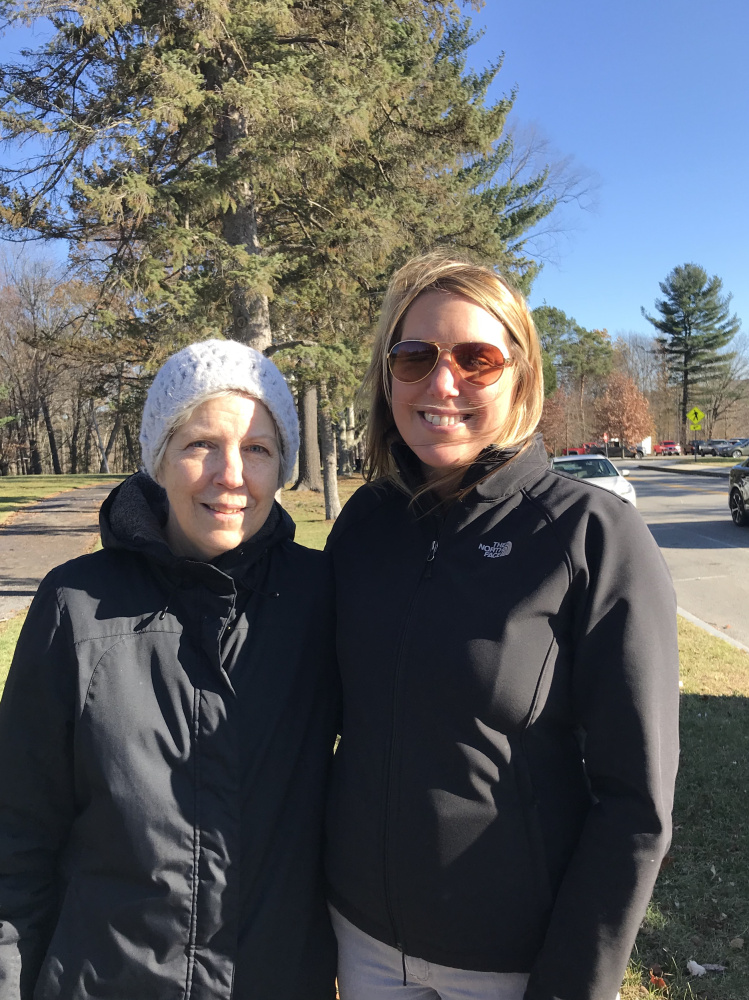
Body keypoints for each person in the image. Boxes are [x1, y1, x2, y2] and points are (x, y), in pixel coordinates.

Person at [324, 254, 680, 1000]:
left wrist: (572, 982)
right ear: (387, 376)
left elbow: (636, 804)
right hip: (360, 941)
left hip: (511, 963)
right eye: (414, 356)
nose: (441, 384)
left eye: (475, 359)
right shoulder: (364, 525)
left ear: (519, 373)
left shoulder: (591, 536)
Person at [0, 339, 338, 1000]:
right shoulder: (76, 607)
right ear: (159, 458)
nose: (230, 474)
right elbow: (16, 837)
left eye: (259, 449)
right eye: (200, 443)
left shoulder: (324, 602)